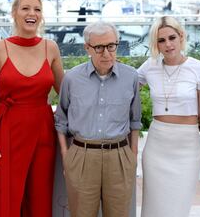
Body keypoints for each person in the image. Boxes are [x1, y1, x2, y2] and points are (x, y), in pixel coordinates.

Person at [0, 0, 64, 217]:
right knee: (5, 199)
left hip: (43, 129)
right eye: (26, 8)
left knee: (40, 199)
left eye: (37, 9)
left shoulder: (51, 48)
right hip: (7, 130)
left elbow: (65, 94)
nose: (32, 14)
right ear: (15, 13)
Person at [55, 21, 141, 217]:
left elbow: (135, 121)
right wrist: (66, 156)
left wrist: (132, 157)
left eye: (111, 46)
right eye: (99, 47)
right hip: (82, 155)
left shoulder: (131, 77)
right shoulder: (72, 79)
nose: (106, 53)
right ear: (87, 48)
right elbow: (61, 120)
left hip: (119, 157)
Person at [137, 16, 200, 217]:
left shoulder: (199, 68)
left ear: (181, 36)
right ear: (156, 44)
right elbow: (122, 86)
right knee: (154, 209)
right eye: (161, 40)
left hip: (186, 147)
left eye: (172, 37)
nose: (168, 44)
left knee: (178, 209)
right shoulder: (150, 66)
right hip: (157, 146)